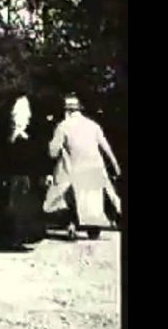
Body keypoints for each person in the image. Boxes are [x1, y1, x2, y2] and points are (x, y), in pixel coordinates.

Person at [43, 93, 122, 240]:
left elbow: (53, 152)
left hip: (74, 169)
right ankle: (94, 227)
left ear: (66, 111)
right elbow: (106, 147)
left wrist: (55, 151)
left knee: (70, 196)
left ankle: (71, 224)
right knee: (93, 199)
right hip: (95, 169)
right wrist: (115, 165)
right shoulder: (93, 125)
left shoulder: (63, 126)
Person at [0, 95, 49, 249]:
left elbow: (41, 155)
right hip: (6, 178)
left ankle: (22, 238)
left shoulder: (34, 134)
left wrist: (45, 173)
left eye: (23, 114)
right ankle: (4, 238)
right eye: (16, 114)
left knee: (23, 209)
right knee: (5, 208)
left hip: (26, 179)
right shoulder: (3, 133)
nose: (19, 118)